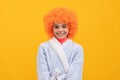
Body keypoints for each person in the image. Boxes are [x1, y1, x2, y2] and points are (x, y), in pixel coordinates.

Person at [36, 8, 84, 80]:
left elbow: (76, 74)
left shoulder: (77, 49)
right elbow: (42, 73)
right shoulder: (43, 48)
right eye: (56, 27)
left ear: (70, 28)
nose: (60, 30)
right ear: (51, 28)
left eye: (64, 26)